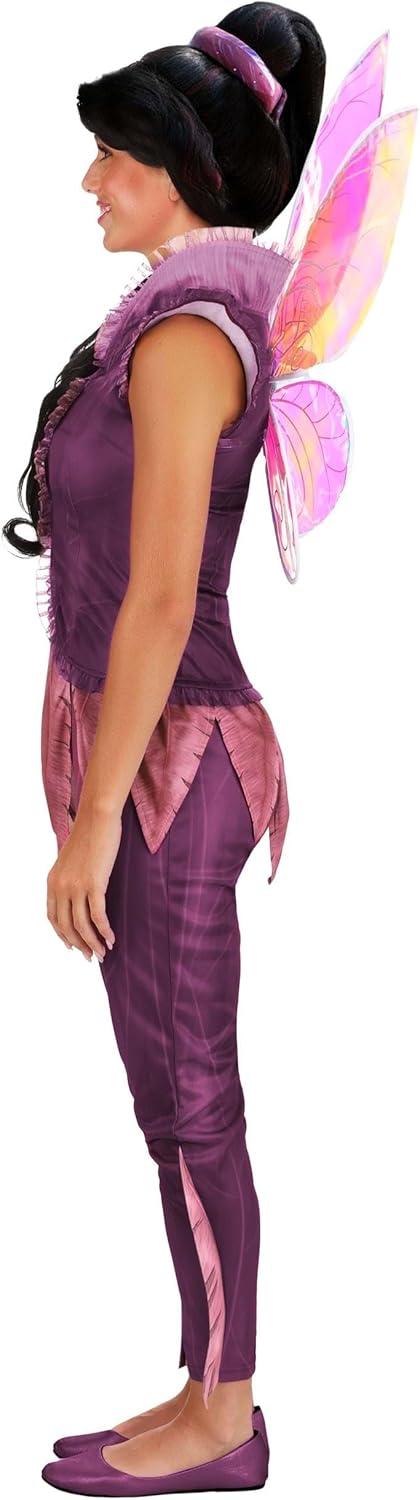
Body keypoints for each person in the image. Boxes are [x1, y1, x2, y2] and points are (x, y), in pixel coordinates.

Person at [4, 7, 416, 1496]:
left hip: (173, 768)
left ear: (178, 170)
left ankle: (227, 1419)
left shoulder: (185, 342)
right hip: (136, 751)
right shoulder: (156, 328)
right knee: (165, 1101)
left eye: (110, 156)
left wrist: (93, 819)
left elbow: (166, 598)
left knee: (193, 1098)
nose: (89, 182)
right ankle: (201, 1383)